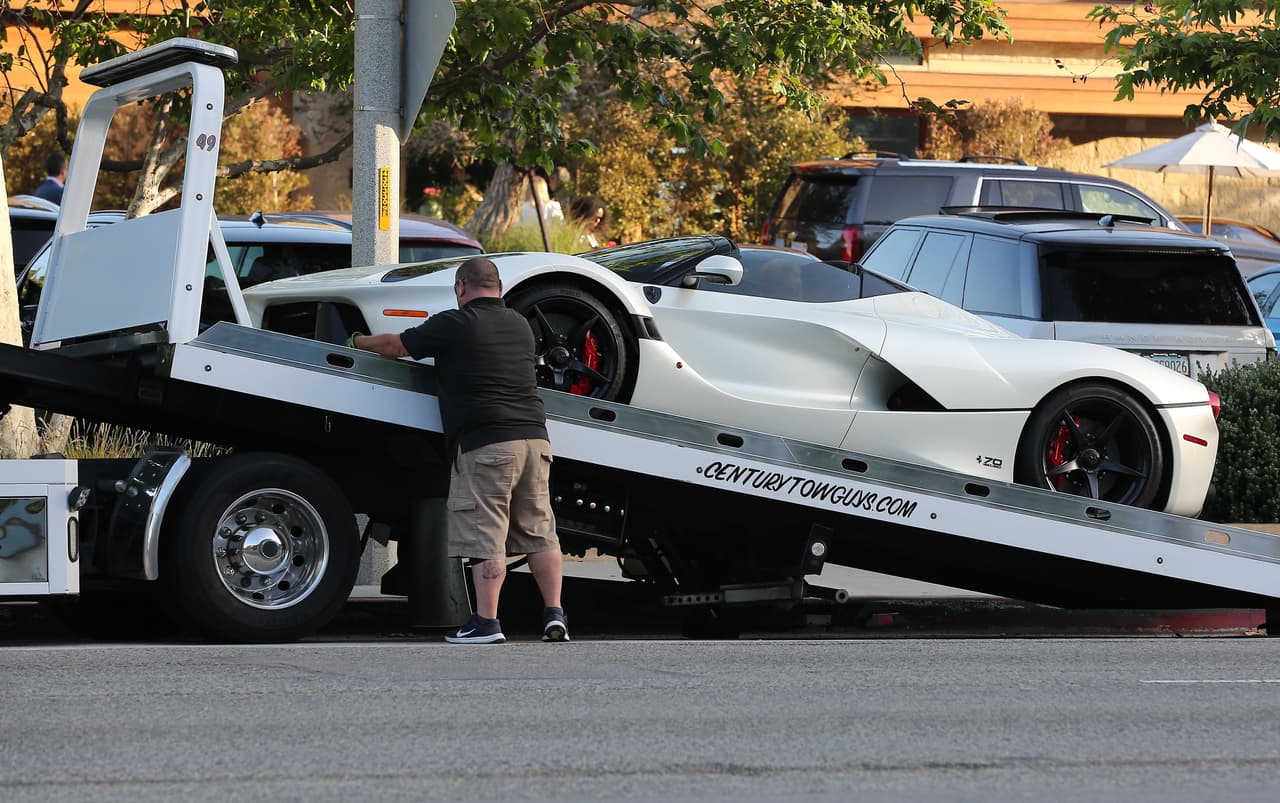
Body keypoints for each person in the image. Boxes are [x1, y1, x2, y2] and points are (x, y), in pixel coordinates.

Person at [347, 256, 568, 645]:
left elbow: (397, 346)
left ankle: (486, 622)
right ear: (498, 288)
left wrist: (355, 342)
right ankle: (554, 614)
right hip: (536, 440)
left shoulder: (456, 323)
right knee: (539, 530)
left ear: (461, 288)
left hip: (487, 442)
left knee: (487, 533)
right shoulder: (520, 324)